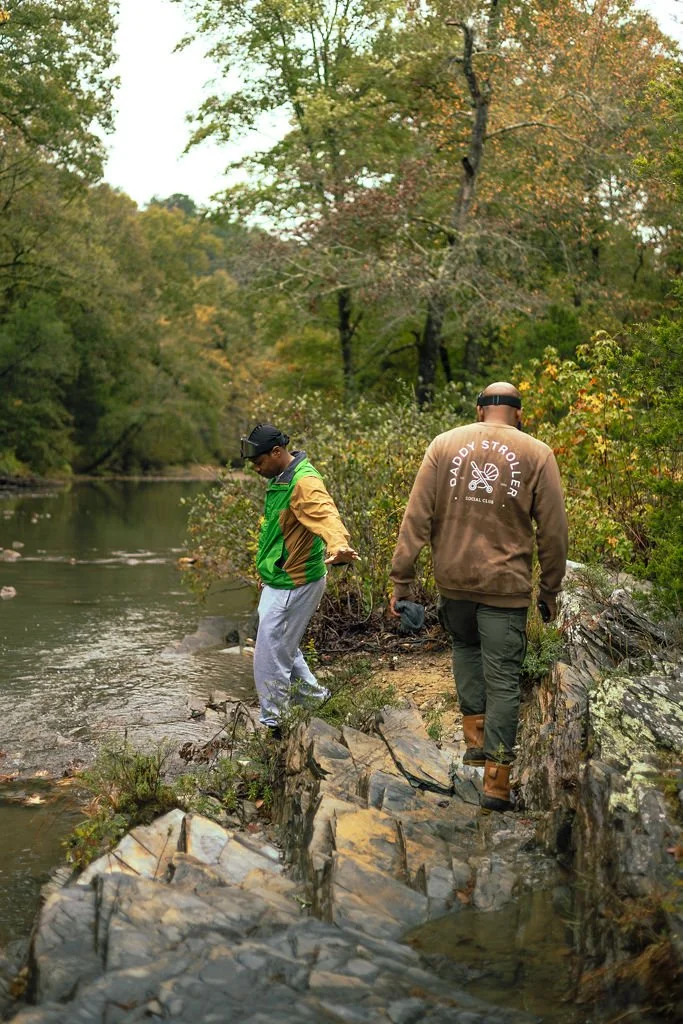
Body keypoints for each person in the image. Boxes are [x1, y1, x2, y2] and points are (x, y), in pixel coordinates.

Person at [389, 382, 568, 812]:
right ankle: (497, 784)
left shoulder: (443, 444)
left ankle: (474, 744)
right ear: (518, 415)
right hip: (504, 588)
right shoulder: (537, 453)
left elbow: (416, 517)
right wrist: (550, 590)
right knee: (503, 680)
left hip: (454, 582)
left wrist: (402, 581)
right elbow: (554, 532)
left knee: (465, 649)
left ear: (478, 410)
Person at [241, 423, 358, 737]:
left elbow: (325, 513)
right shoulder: (283, 477)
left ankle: (274, 724)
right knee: (282, 644)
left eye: (258, 461)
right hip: (279, 579)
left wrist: (339, 545)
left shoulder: (304, 481)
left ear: (277, 452)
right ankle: (314, 698)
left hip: (296, 581)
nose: (255, 468)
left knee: (269, 651)